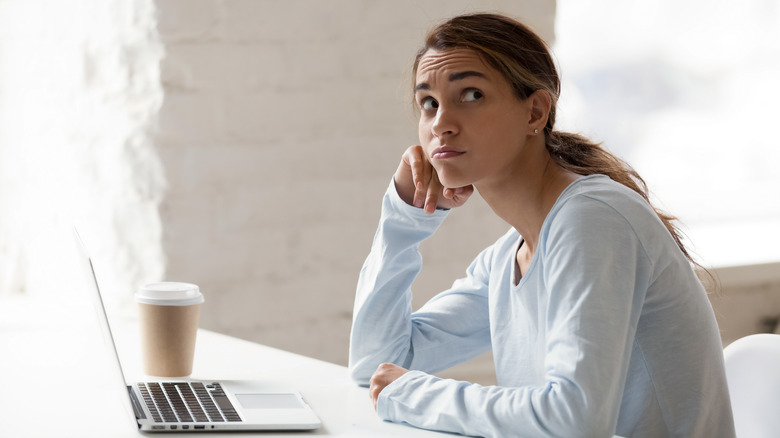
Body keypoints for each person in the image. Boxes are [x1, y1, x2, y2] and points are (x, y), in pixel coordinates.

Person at [348, 12, 735, 438]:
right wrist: (404, 215)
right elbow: (375, 361)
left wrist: (413, 394)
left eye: (471, 94)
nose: (441, 123)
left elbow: (575, 418)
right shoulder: (509, 258)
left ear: (535, 111)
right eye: (429, 103)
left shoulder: (593, 219)